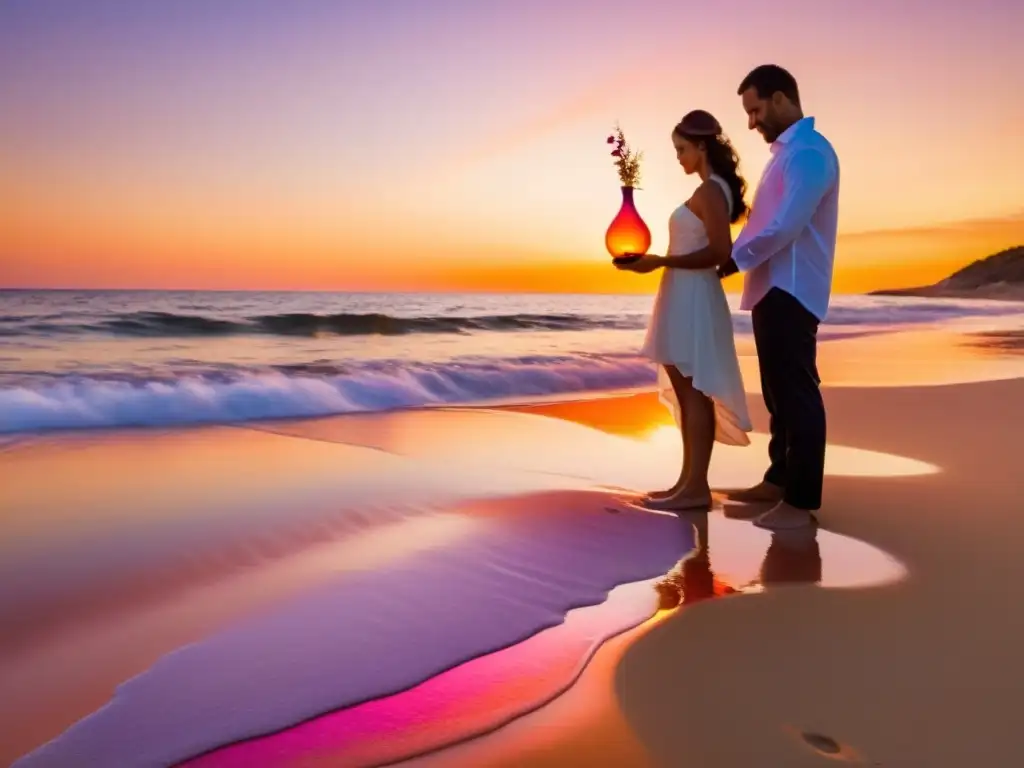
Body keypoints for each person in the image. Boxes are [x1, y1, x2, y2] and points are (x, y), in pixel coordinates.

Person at [718, 64, 841, 530]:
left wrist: (732, 259)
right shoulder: (786, 154)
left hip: (793, 286)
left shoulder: (809, 153)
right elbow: (764, 217)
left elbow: (786, 225)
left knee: (797, 393)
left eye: (755, 109)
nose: (751, 122)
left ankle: (800, 502)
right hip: (773, 285)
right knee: (778, 393)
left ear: (781, 98)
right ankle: (779, 479)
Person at [616, 110, 752, 511]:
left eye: (681, 149)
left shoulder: (711, 191)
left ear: (702, 147)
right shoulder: (709, 189)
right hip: (683, 293)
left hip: (693, 295)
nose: (678, 157)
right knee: (686, 390)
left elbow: (719, 253)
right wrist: (659, 262)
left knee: (695, 394)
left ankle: (695, 488)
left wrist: (661, 261)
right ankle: (686, 483)